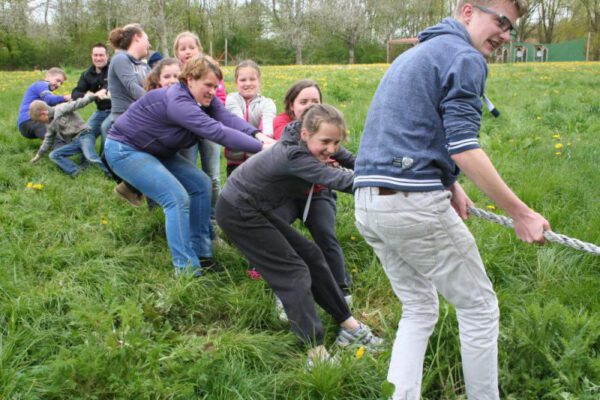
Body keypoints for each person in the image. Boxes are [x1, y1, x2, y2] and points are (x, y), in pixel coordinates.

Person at [353, 1, 549, 399]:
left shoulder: (419, 53)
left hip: (368, 204)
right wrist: (521, 213)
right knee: (478, 307)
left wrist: (448, 183)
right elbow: (463, 146)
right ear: (467, 12)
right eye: (501, 21)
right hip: (412, 206)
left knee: (420, 307)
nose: (506, 35)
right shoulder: (465, 56)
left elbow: (413, 130)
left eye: (511, 27)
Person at [216, 104, 383, 365]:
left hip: (256, 206)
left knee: (312, 256)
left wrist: (377, 170)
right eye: (325, 142)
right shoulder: (294, 156)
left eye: (336, 142)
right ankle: (315, 354)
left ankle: (349, 328)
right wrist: (391, 184)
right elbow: (340, 180)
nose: (330, 149)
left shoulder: (305, 139)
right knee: (293, 271)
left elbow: (349, 161)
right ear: (306, 134)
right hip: (238, 211)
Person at [104, 56, 271, 276]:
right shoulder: (179, 102)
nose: (212, 91)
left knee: (201, 184)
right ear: (190, 79)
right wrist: (261, 147)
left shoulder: (203, 100)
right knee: (175, 198)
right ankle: (186, 270)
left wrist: (257, 134)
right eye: (208, 85)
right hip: (125, 149)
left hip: (156, 150)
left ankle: (203, 254)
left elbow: (225, 118)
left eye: (215, 86)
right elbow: (217, 131)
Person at [272, 80, 354, 316]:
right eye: (303, 101)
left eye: (315, 101)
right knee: (274, 231)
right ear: (291, 104)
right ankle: (284, 292)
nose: (309, 106)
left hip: (318, 192)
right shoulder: (284, 124)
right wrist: (328, 161)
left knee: (325, 234)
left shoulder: (325, 128)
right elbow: (293, 151)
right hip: (285, 194)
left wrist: (371, 172)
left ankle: (342, 289)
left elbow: (346, 156)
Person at [173, 31, 225, 214]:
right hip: (185, 133)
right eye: (182, 48)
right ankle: (190, 214)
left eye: (191, 47)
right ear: (177, 53)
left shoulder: (211, 72)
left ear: (199, 49)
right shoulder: (176, 76)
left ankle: (213, 217)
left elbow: (220, 99)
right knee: (188, 174)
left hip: (210, 130)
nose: (187, 51)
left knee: (213, 176)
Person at [107, 23, 151, 205]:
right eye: (147, 39)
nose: (149, 44)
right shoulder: (121, 59)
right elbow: (133, 88)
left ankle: (130, 186)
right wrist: (158, 104)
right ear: (137, 38)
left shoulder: (141, 65)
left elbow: (151, 87)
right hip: (125, 119)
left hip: (141, 119)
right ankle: (128, 186)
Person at [28, 90, 110, 178]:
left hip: (85, 135)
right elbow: (48, 139)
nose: (40, 122)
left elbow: (77, 104)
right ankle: (77, 172)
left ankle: (108, 175)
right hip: (75, 142)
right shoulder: (50, 124)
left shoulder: (61, 108)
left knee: (90, 157)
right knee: (54, 155)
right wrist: (39, 155)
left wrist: (92, 96)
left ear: (43, 113)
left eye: (39, 120)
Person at [224, 60, 276, 176]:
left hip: (259, 161)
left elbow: (267, 132)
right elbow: (238, 124)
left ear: (259, 81)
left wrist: (266, 142)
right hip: (234, 161)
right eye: (243, 80)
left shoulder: (268, 103)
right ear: (236, 82)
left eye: (252, 79)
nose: (247, 83)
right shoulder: (231, 99)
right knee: (234, 192)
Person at [71, 43, 112, 154]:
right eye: (95, 55)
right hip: (101, 111)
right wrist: (88, 96)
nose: (98, 58)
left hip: (118, 110)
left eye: (101, 55)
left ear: (107, 56)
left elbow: (110, 85)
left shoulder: (114, 68)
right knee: (85, 132)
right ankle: (87, 158)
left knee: (105, 128)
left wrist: (104, 90)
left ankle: (105, 160)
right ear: (91, 56)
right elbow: (75, 93)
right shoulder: (86, 75)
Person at [17, 68, 70, 140]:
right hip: (30, 121)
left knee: (63, 134)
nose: (59, 85)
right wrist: (66, 97)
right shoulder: (42, 84)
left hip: (28, 123)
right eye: (58, 80)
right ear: (48, 76)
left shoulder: (43, 89)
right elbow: (49, 100)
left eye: (61, 83)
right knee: (58, 142)